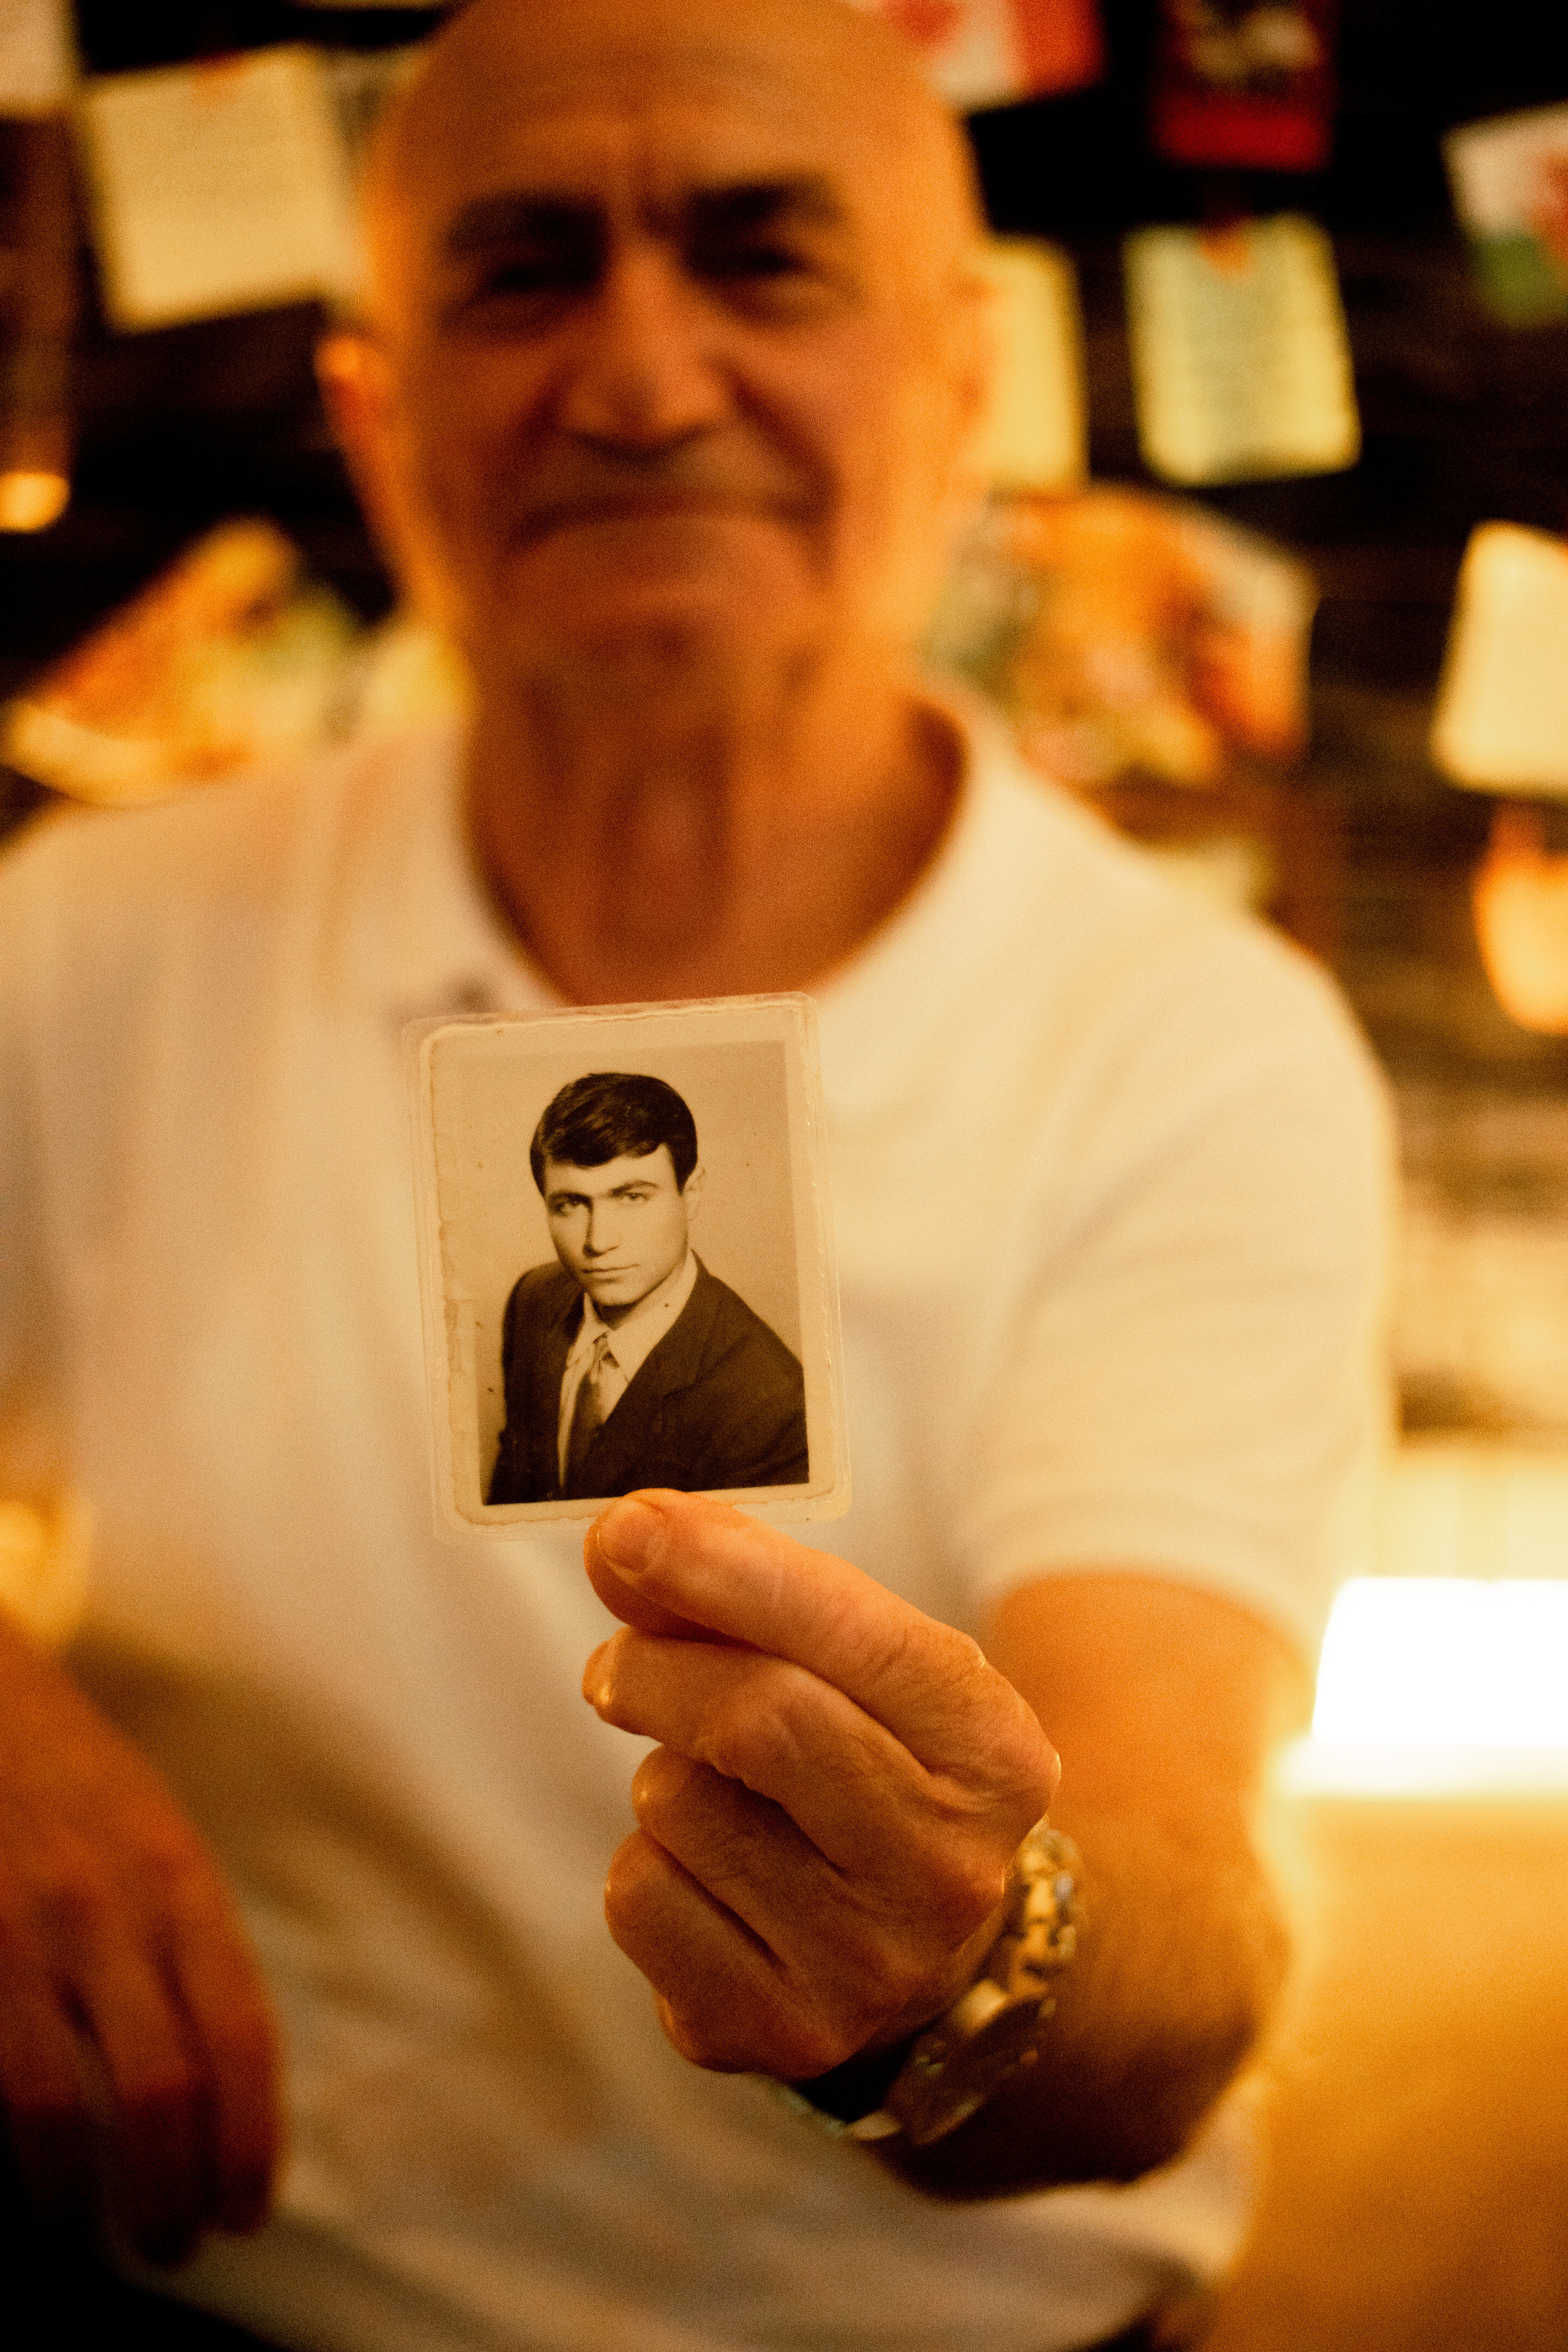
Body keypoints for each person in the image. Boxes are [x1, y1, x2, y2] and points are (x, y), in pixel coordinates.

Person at [0, 2, 1392, 2348]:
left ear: (964, 382)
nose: (641, 385)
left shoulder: (1195, 1051)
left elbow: (1181, 1915)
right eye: (523, 273)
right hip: (225, 2276)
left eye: (761, 264)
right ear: (374, 416)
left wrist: (982, 1955)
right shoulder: (86, 938)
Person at [487, 1071, 809, 1503]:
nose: (598, 1242)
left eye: (632, 1197)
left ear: (690, 1194)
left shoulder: (771, 1404)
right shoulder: (534, 1299)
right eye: (570, 1204)